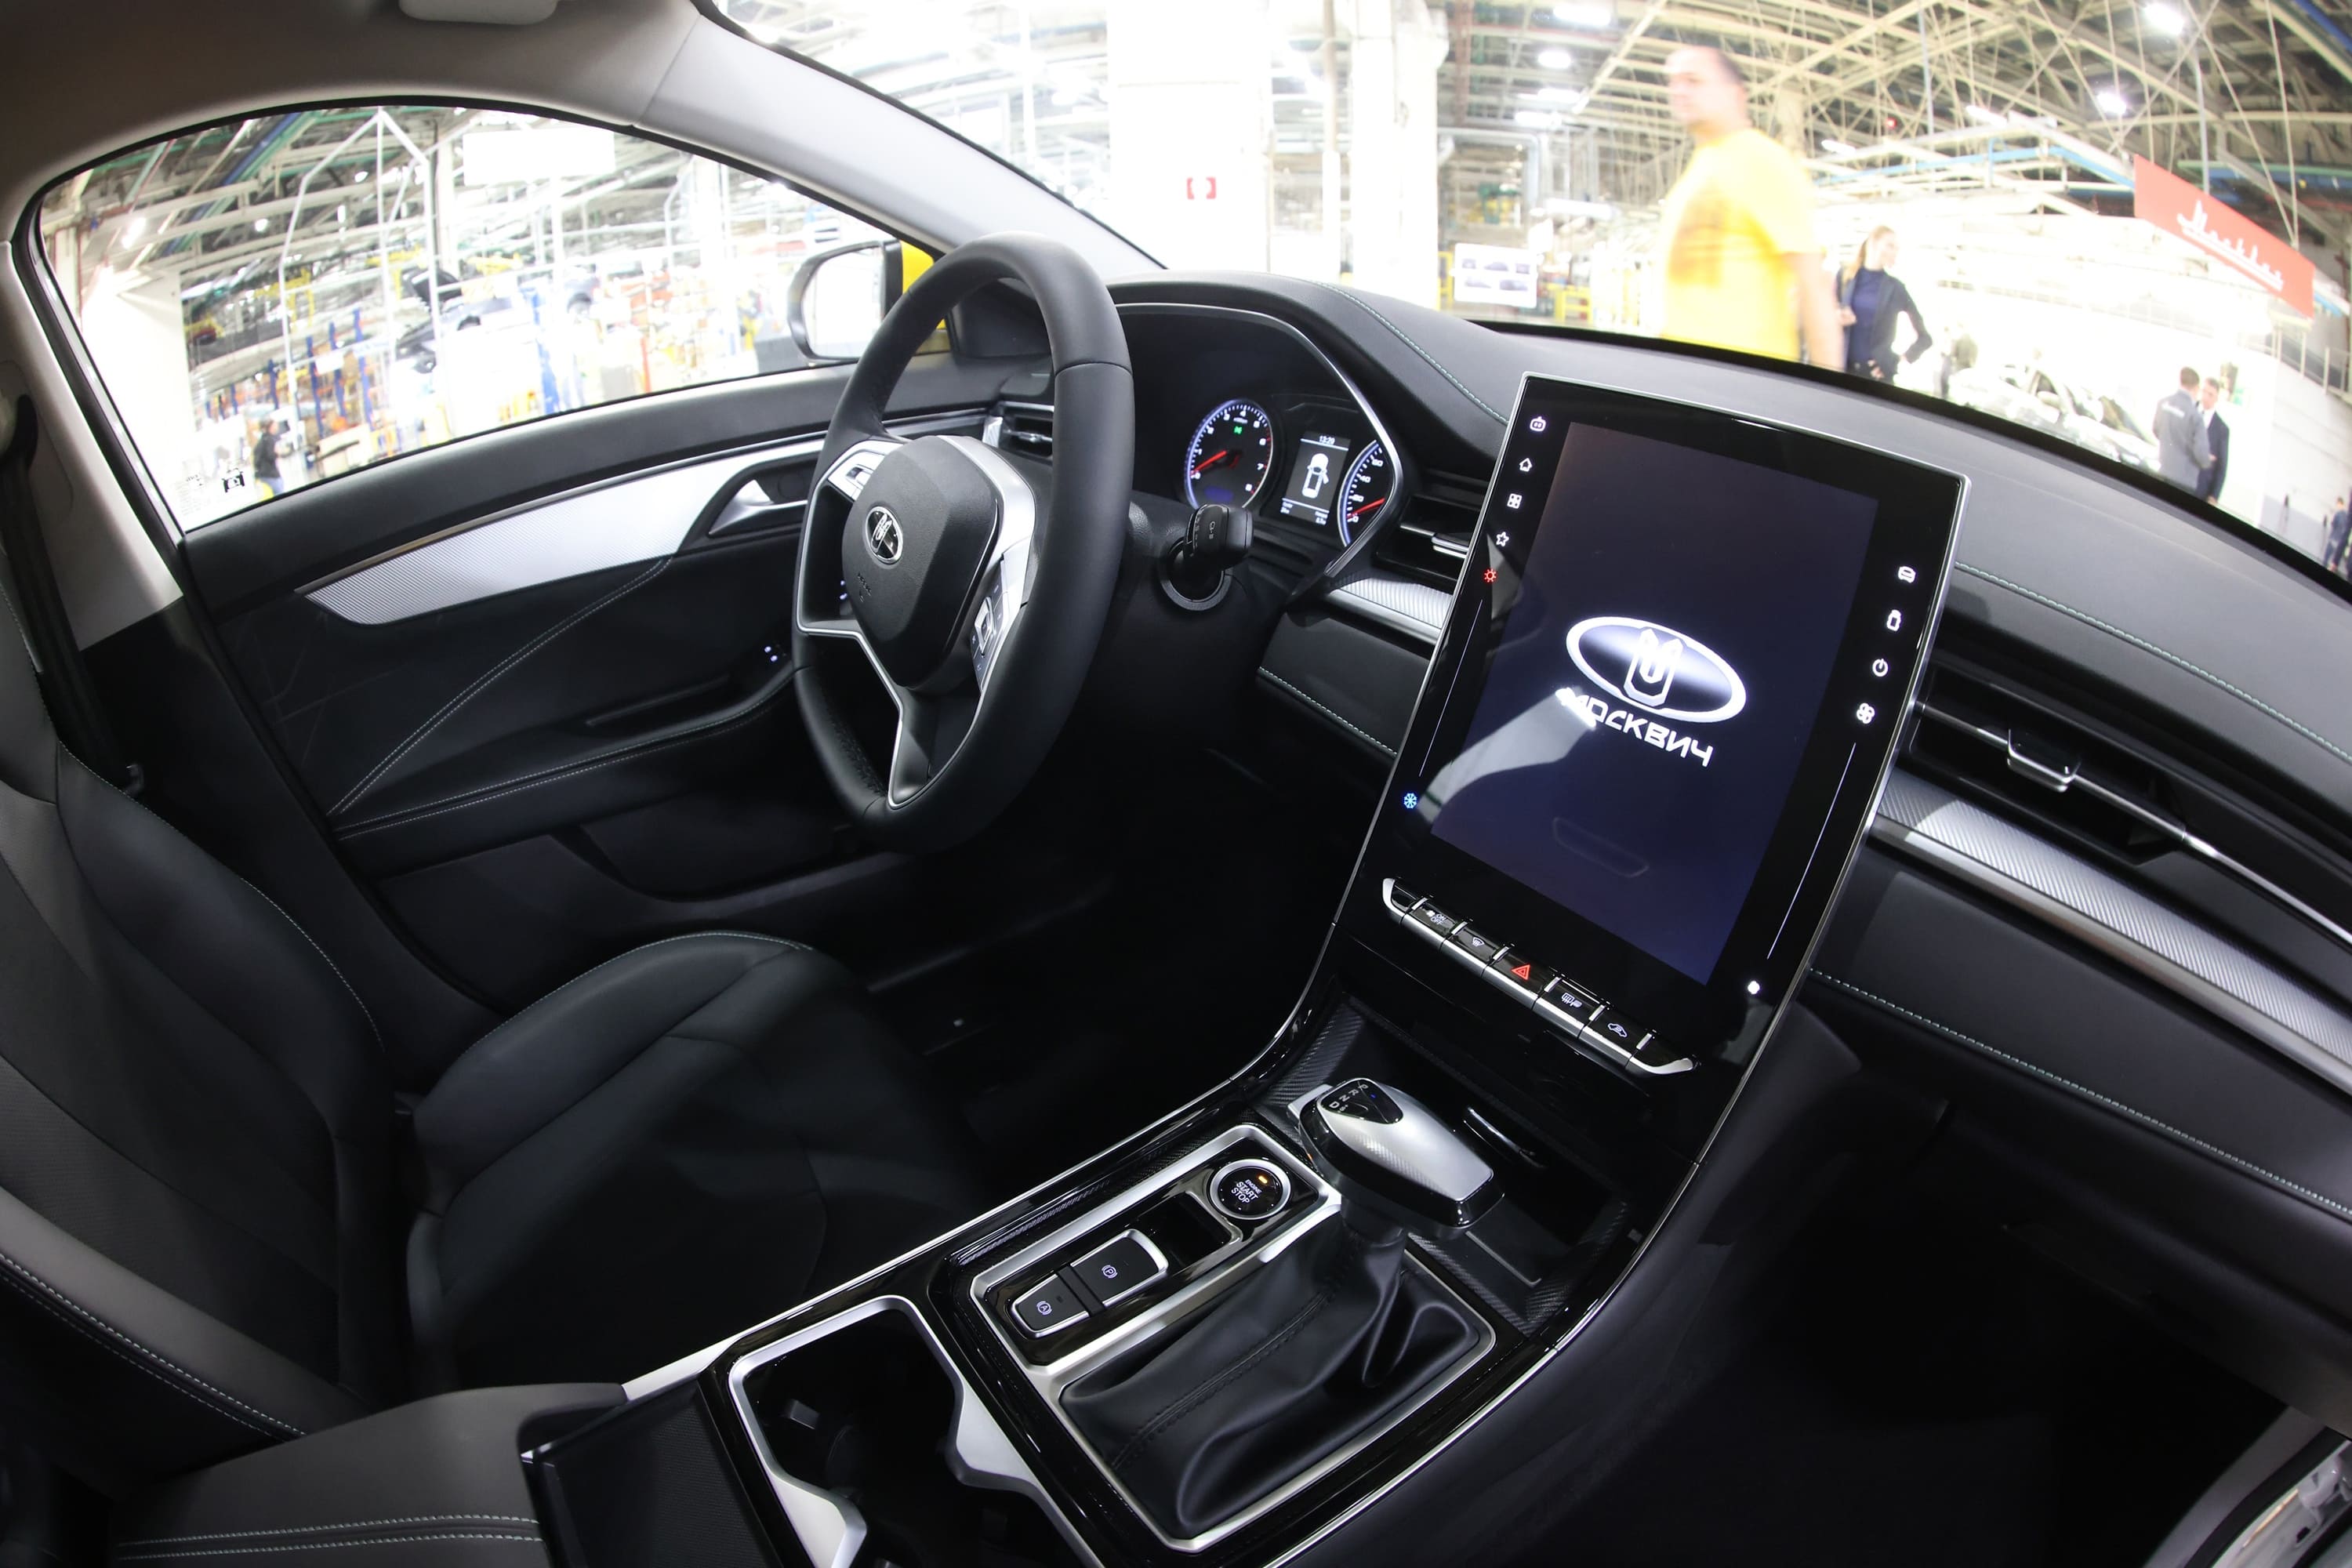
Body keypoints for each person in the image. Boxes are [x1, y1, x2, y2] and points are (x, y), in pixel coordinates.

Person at [1657, 45, 1843, 367]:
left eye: (1693, 80)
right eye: (1673, 81)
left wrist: (1828, 387)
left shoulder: (1761, 159)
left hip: (1738, 378)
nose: (1679, 90)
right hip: (1686, 374)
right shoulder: (1699, 169)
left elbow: (1813, 286)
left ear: (1735, 95)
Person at [1838, 226, 1932, 381]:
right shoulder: (1845, 276)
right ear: (1873, 243)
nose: (1895, 252)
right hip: (1841, 370)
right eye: (1890, 246)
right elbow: (1827, 314)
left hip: (1875, 378)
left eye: (1897, 248)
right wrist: (1837, 317)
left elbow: (1925, 338)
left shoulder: (1895, 288)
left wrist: (1894, 361)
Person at [2151, 367, 2211, 492]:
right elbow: (2201, 454)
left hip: (2162, 472)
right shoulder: (2195, 416)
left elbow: (2156, 430)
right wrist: (2207, 460)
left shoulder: (2163, 403)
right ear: (2196, 388)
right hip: (2184, 481)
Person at [2196, 376, 2230, 503]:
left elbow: (2222, 466)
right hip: (2177, 479)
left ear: (2216, 398)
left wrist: (2214, 496)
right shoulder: (2188, 410)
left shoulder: (2222, 429)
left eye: (2210, 394)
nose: (2206, 397)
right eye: (2204, 391)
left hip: (2200, 490)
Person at [2325, 497, 2350, 577]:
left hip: (2334, 540)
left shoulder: (2338, 514)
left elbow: (2334, 525)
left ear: (2339, 503)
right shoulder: (2346, 515)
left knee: (2326, 559)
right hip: (2339, 542)